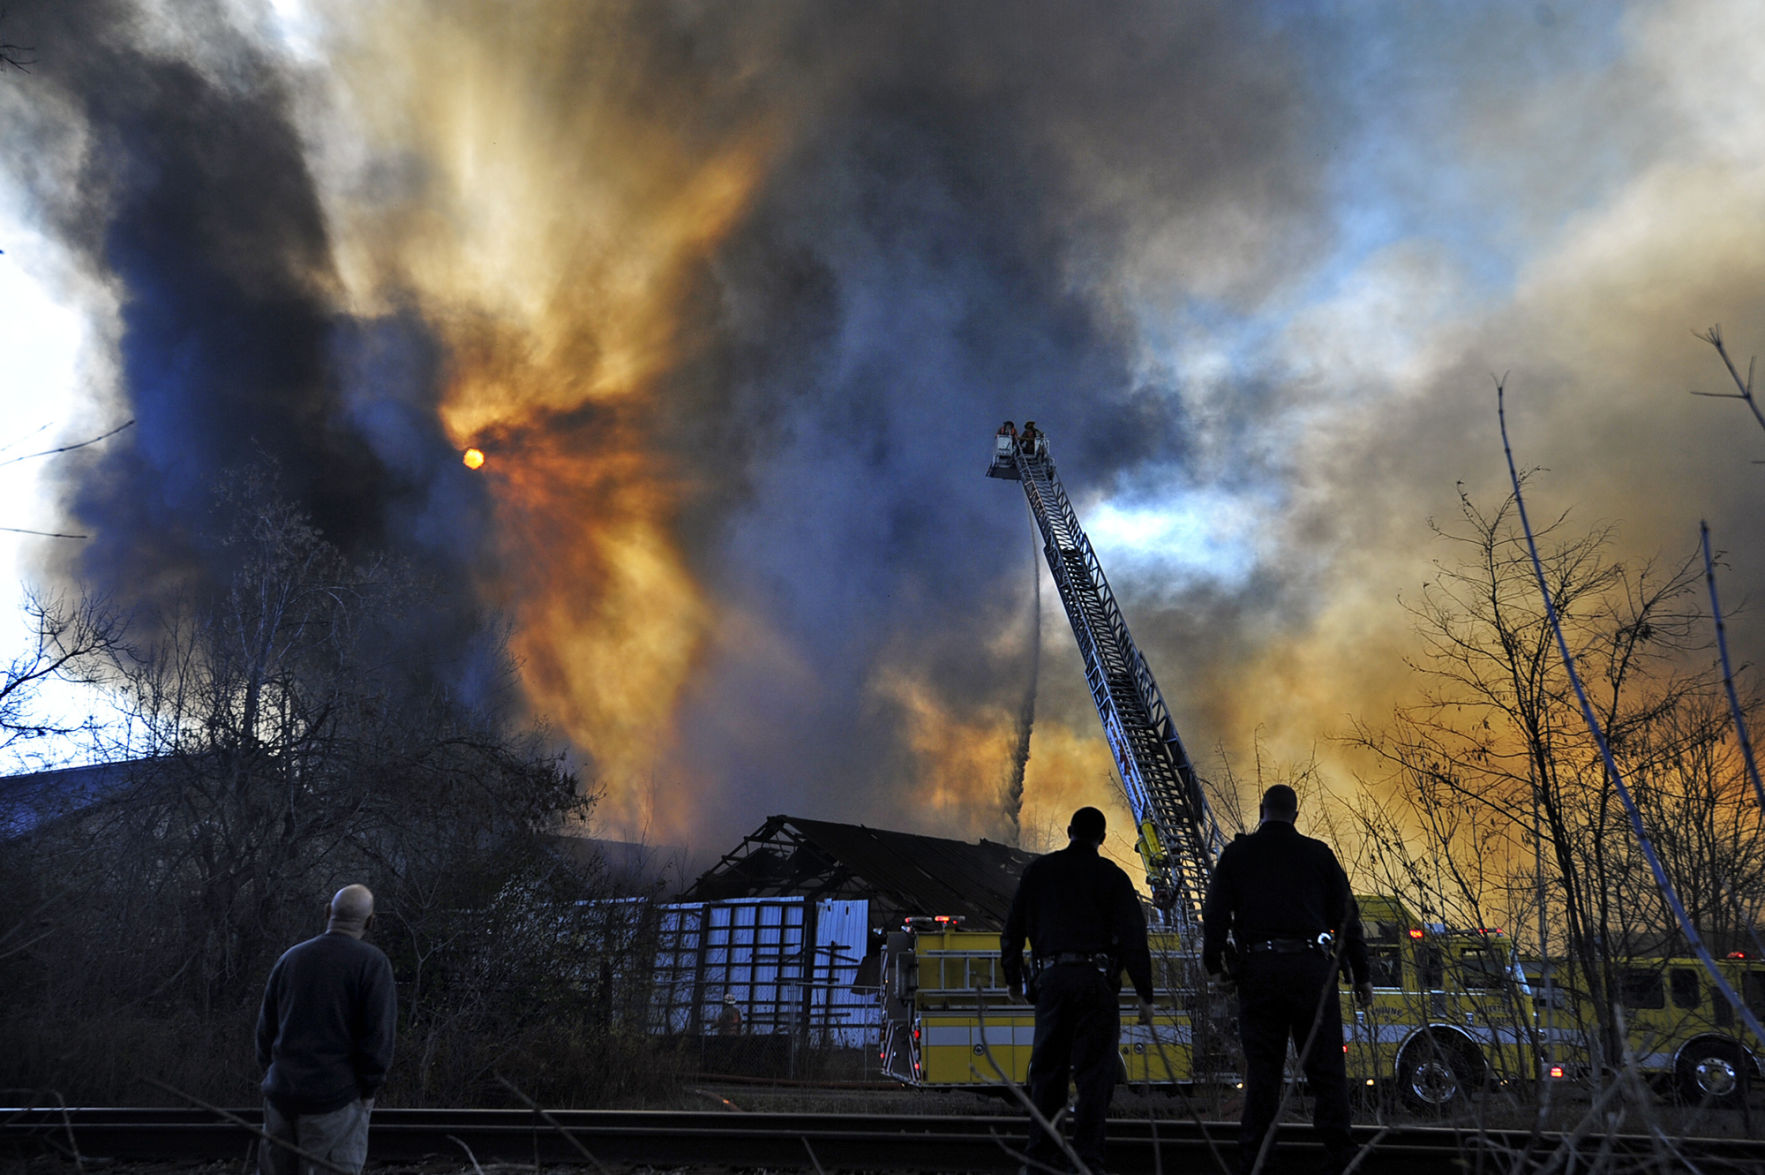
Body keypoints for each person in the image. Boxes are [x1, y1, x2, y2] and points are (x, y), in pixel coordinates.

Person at [1202, 786, 1372, 1175]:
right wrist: (1361, 975)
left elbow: (1214, 917)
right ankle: (1341, 1158)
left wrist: (1215, 967)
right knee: (1327, 1069)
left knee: (1263, 1073)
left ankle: (1256, 1161)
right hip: (1313, 973)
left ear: (1261, 810)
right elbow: (1348, 920)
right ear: (1295, 815)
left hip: (1258, 973)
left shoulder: (1236, 855)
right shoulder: (1319, 855)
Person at [1001, 806, 1154, 1174]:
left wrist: (1013, 980)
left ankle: (1041, 1158)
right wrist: (1145, 995)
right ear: (1101, 838)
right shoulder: (1113, 878)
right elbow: (1135, 939)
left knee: (1047, 1072)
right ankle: (1088, 1162)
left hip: (1051, 983)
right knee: (1095, 1076)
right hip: (1096, 986)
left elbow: (1012, 930)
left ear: (1068, 830)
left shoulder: (1038, 873)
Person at [256, 884, 398, 1175]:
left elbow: (265, 1032)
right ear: (371, 922)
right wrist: (368, 1090)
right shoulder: (372, 964)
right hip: (336, 1100)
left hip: (281, 1096)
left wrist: (274, 1076)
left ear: (327, 912)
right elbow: (378, 1038)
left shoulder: (290, 958)